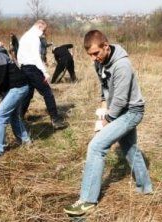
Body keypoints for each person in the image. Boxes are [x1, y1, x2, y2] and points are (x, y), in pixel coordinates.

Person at [64, 30, 153, 216]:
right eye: (90, 55)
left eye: (96, 53)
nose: (93, 58)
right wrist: (102, 110)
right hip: (116, 110)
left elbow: (120, 100)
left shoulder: (122, 66)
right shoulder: (100, 62)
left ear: (106, 46)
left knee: (96, 146)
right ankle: (145, 187)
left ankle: (87, 201)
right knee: (130, 149)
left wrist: (105, 122)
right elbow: (104, 89)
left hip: (131, 112)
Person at [17, 20, 67, 130]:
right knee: (48, 92)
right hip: (32, 68)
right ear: (39, 26)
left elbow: (19, 55)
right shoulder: (34, 38)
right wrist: (45, 72)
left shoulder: (25, 36)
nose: (44, 33)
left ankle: (19, 117)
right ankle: (56, 120)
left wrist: (21, 68)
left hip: (24, 68)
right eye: (44, 30)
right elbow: (36, 57)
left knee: (28, 94)